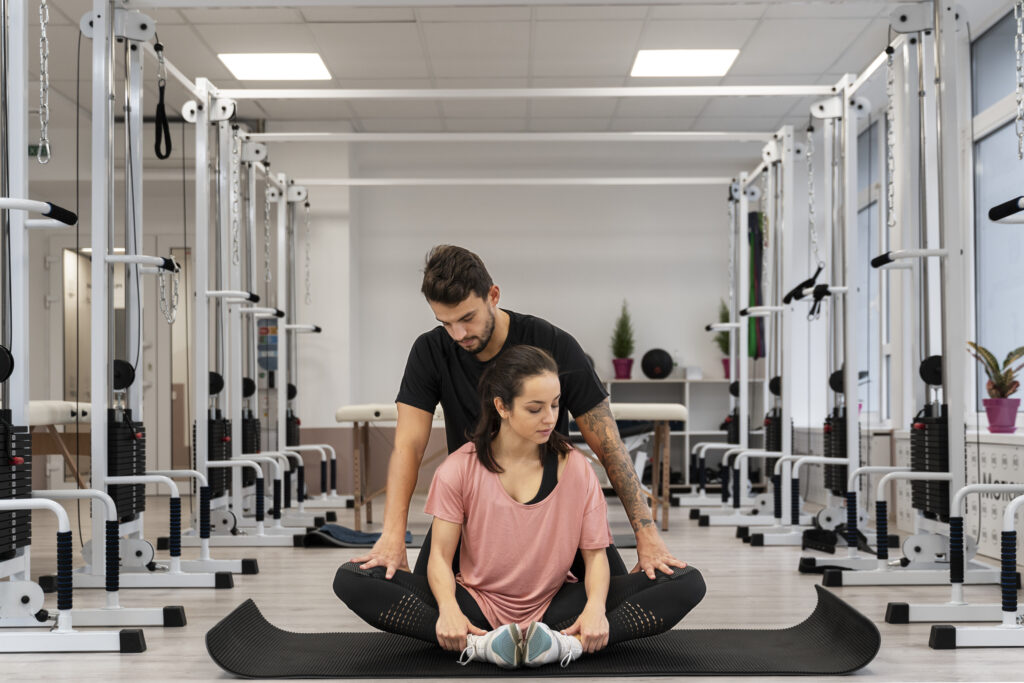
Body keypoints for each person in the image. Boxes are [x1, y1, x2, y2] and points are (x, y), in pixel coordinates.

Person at [335, 346, 705, 669]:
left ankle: (565, 643)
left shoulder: (576, 469)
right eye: (535, 408)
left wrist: (594, 609)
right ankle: (482, 644)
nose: (551, 418)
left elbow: (595, 558)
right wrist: (448, 608)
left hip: (554, 608)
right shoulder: (459, 469)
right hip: (477, 605)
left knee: (687, 582)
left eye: (556, 405)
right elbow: (439, 558)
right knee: (351, 578)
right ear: (502, 406)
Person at [353, 245, 685, 581]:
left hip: (552, 512)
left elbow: (608, 444)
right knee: (383, 586)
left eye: (468, 318)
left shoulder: (554, 344)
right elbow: (408, 446)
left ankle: (530, 625)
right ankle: (517, 624)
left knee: (664, 585)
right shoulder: (430, 351)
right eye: (446, 323)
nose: (459, 334)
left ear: (493, 295)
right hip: (475, 513)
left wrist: (647, 534)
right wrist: (393, 537)